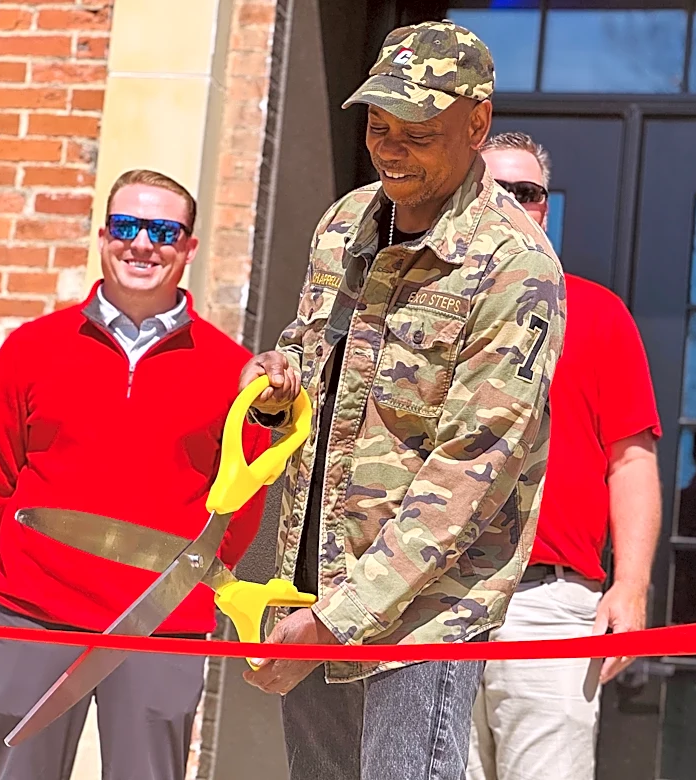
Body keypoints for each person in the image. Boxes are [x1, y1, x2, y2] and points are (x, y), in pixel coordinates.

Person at [237, 21, 566, 780]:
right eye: (379, 126)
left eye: (415, 131)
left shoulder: (515, 267)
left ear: (476, 122)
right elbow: (314, 355)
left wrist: (336, 623)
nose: (389, 148)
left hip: (422, 611)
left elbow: (472, 470)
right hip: (313, 581)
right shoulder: (344, 224)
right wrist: (278, 389)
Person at [0, 168, 270, 780]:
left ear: (188, 247)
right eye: (128, 226)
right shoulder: (32, 347)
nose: (143, 244)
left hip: (161, 623)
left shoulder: (229, 366)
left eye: (163, 230)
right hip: (37, 615)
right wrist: (38, 563)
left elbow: (243, 502)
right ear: (105, 236)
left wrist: (188, 579)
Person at [469, 132, 662, 780]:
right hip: (435, 601)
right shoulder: (427, 318)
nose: (513, 204)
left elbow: (631, 462)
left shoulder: (600, 315)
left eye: (528, 192)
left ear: (545, 206)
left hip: (548, 606)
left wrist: (631, 587)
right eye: (496, 191)